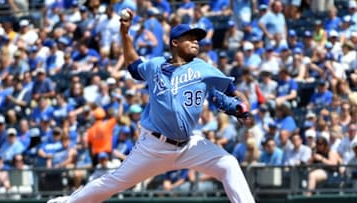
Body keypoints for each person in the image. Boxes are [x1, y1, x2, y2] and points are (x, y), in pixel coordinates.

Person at [48, 9, 254, 203]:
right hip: (154, 147)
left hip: (189, 144)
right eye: (190, 38)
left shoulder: (204, 69)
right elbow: (133, 65)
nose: (195, 42)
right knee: (112, 183)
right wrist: (124, 32)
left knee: (229, 164)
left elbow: (232, 91)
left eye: (197, 39)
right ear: (175, 42)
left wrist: (241, 108)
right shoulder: (156, 66)